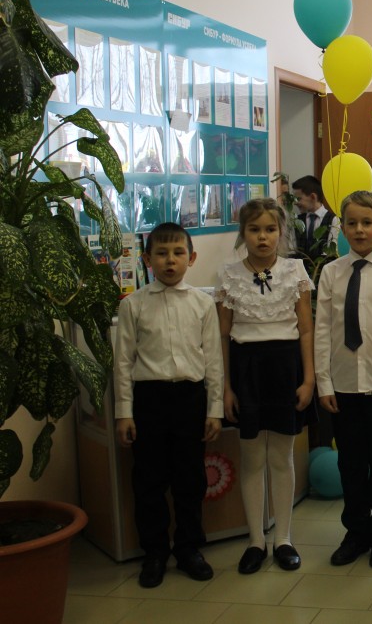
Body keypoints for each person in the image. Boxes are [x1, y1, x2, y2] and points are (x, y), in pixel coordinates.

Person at [114, 223, 223, 588]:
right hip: (149, 401)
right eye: (161, 254)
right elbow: (123, 363)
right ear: (147, 260)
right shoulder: (133, 305)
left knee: (190, 479)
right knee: (148, 481)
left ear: (191, 258)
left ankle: (189, 548)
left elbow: (213, 361)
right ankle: (155, 552)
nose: (170, 261)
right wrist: (124, 412)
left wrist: (214, 410)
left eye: (178, 253)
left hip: (190, 400)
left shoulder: (202, 304)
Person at [216, 197, 316, 575]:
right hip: (247, 370)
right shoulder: (228, 275)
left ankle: (283, 539)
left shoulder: (295, 271)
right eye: (254, 229)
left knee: (281, 456)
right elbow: (223, 336)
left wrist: (308, 378)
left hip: (285, 367)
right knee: (253, 457)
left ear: (281, 232)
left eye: (270, 229)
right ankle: (255, 540)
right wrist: (227, 388)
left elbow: (305, 329)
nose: (263, 237)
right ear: (243, 233)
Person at [315, 191, 372, 569]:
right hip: (343, 387)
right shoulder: (331, 273)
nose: (359, 230)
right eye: (351, 223)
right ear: (342, 227)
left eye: (367, 223)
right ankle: (355, 532)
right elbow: (323, 331)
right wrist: (324, 382)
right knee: (350, 464)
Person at [292, 175, 337, 259]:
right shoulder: (296, 221)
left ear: (313, 197)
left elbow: (331, 253)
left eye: (299, 199)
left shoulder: (333, 220)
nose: (295, 203)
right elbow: (292, 251)